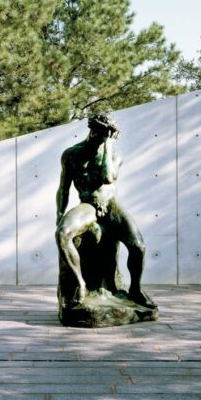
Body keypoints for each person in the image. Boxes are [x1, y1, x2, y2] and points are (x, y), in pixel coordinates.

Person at [55, 113, 155, 309]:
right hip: (88, 205)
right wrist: (59, 212)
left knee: (138, 246)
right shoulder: (71, 154)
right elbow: (63, 187)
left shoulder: (114, 155)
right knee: (62, 235)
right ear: (92, 130)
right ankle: (80, 284)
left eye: (109, 134)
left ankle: (136, 288)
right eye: (102, 133)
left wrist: (108, 146)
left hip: (110, 205)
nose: (104, 137)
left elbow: (108, 177)